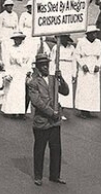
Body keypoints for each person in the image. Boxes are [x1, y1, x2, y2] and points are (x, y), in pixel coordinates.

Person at [27, 53, 69, 186]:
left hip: (54, 122)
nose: (46, 67)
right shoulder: (33, 83)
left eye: (47, 65)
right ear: (38, 67)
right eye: (43, 65)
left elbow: (65, 91)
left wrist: (61, 78)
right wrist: (52, 112)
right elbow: (37, 102)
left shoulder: (53, 79)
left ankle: (55, 175)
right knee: (40, 149)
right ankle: (38, 175)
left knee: (56, 149)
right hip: (42, 121)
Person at [74, 26, 101, 119]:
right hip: (85, 68)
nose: (95, 35)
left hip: (94, 66)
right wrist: (82, 64)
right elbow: (77, 55)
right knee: (84, 89)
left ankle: (90, 108)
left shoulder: (98, 42)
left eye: (96, 33)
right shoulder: (81, 42)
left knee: (93, 89)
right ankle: (83, 110)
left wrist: (98, 65)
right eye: (93, 33)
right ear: (88, 34)